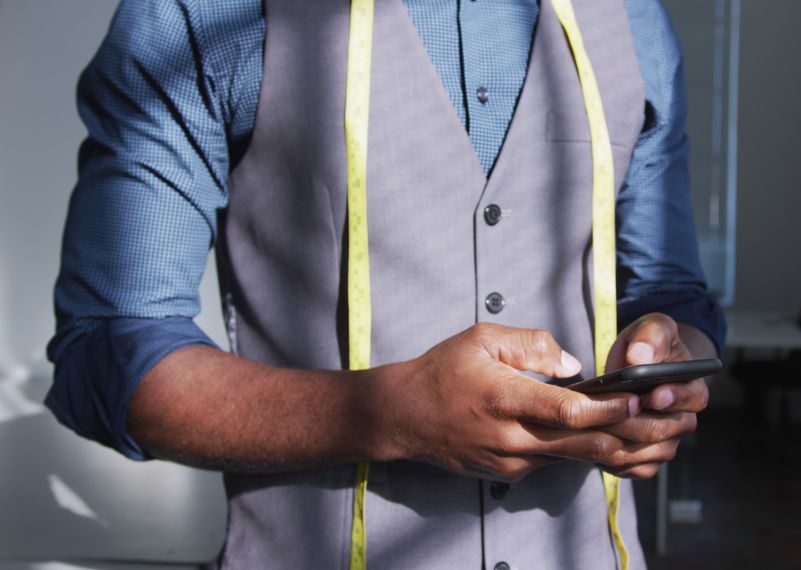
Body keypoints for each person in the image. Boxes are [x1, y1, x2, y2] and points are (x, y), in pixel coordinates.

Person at [47, 0, 724, 568]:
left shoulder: (633, 21)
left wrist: (667, 357)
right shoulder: (206, 12)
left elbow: (672, 292)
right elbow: (109, 347)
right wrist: (389, 413)